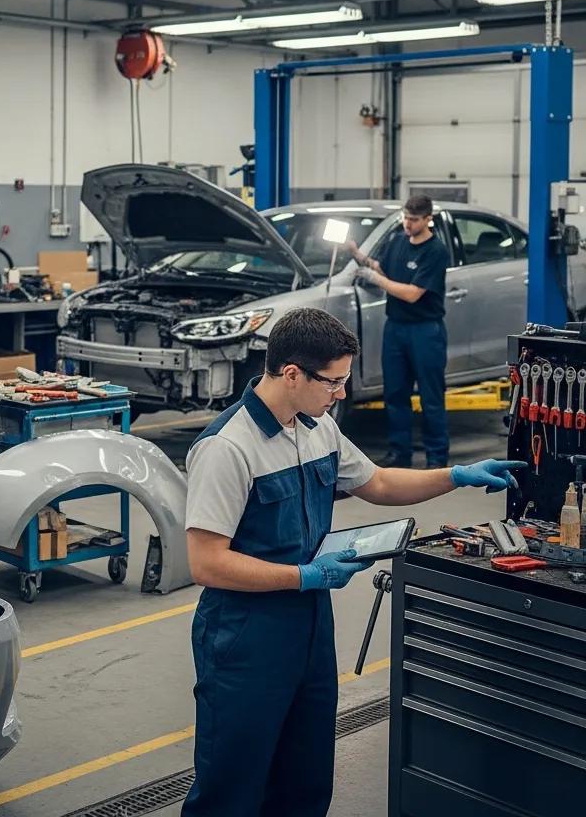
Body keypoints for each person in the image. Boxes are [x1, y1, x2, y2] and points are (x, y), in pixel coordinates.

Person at [182, 307, 524, 817]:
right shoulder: (227, 448)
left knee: (305, 778)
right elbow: (206, 563)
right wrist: (306, 576)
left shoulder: (315, 426)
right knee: (232, 786)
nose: (342, 393)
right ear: (292, 374)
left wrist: (458, 475)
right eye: (334, 382)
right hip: (244, 636)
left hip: (309, 626)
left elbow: (378, 483)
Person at [348, 193, 451, 467]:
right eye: (405, 217)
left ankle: (437, 457)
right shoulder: (397, 242)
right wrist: (359, 257)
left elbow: (412, 293)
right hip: (395, 329)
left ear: (428, 219)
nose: (408, 223)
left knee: (431, 397)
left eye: (414, 219)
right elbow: (384, 268)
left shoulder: (436, 251)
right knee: (395, 394)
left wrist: (376, 280)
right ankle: (399, 454)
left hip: (425, 331)